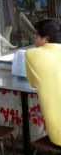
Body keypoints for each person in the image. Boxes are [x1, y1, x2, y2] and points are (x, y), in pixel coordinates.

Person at [25, 18, 61, 146]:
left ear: (46, 38)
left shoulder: (31, 54)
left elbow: (33, 84)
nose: (35, 40)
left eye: (36, 36)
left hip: (58, 136)